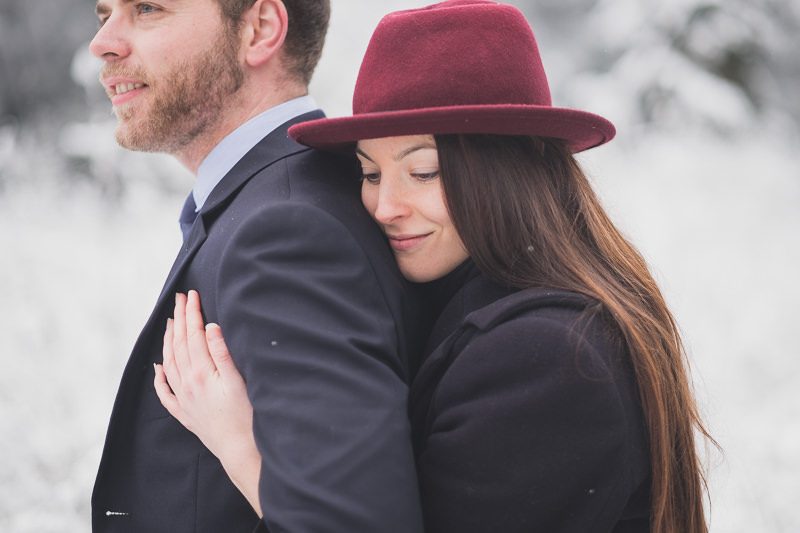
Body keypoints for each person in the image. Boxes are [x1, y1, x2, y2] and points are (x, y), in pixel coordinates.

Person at [157, 1, 714, 532]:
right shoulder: (506, 316)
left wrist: (240, 444)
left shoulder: (550, 356)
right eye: (370, 174)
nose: (384, 206)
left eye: (422, 172)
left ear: (511, 172)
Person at [89, 1, 427, 531]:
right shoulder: (278, 200)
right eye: (103, 14)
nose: (103, 43)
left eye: (147, 9)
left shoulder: (286, 232)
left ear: (259, 28)